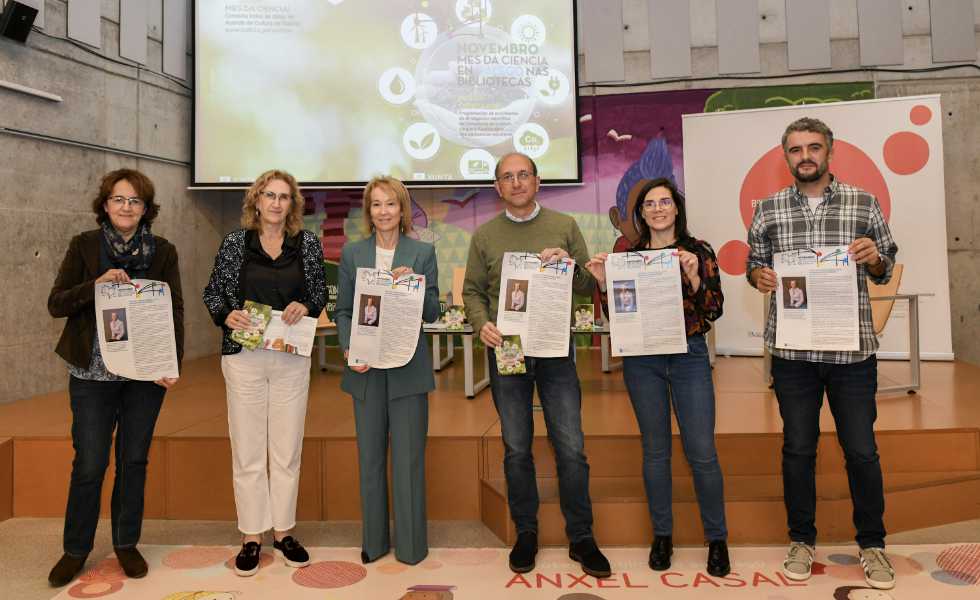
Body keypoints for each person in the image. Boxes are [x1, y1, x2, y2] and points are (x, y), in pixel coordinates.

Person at [747, 117, 899, 590]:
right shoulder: (768, 209)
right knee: (797, 448)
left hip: (851, 354)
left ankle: (872, 545)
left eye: (814, 147)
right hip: (793, 355)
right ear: (786, 157)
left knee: (861, 450)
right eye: (796, 150)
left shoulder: (863, 202)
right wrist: (760, 278)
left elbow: (884, 265)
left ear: (829, 152)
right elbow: (755, 264)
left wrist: (874, 256)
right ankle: (801, 539)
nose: (805, 156)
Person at [462, 152, 611, 578]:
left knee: (571, 446)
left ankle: (581, 536)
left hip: (555, 349)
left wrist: (572, 266)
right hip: (507, 349)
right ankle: (526, 531)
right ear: (497, 187)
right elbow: (472, 291)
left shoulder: (564, 226)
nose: (516, 182)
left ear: (538, 181)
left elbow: (586, 285)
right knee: (516, 447)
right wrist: (481, 324)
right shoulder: (485, 235)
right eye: (507, 177)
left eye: (523, 174)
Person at [585, 177, 730, 576]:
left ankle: (717, 538)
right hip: (642, 361)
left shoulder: (698, 251)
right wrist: (602, 282)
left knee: (702, 451)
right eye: (650, 204)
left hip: (689, 357)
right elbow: (620, 317)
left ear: (677, 209)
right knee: (655, 451)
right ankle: (662, 535)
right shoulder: (627, 256)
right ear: (641, 212)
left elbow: (714, 309)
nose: (658, 209)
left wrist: (696, 276)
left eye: (665, 202)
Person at [46, 168, 184, 587]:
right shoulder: (84, 246)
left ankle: (126, 543)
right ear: (105, 205)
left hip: (144, 373)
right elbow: (56, 304)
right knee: (89, 462)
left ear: (146, 209)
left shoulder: (162, 251)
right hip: (92, 374)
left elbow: (174, 310)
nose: (127, 207)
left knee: (134, 460)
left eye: (135, 201)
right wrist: (96, 285)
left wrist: (170, 362)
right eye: (119, 199)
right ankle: (75, 550)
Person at [203, 169, 326, 577]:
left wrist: (305, 306)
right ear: (256, 201)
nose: (276, 203)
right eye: (269, 195)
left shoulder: (305, 243)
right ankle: (251, 536)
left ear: (292, 205)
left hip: (290, 355)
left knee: (287, 449)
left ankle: (284, 532)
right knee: (249, 449)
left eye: (284, 197)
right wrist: (227, 314)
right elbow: (214, 292)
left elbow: (318, 290)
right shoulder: (235, 243)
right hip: (244, 356)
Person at [335, 175, 440, 565]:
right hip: (365, 370)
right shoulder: (352, 254)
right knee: (371, 459)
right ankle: (374, 543)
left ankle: (412, 547)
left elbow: (433, 311)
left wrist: (416, 285)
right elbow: (343, 310)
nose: (383, 212)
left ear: (403, 210)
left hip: (408, 369)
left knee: (409, 460)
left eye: (390, 204)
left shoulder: (421, 253)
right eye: (376, 204)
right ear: (369, 211)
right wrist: (349, 347)